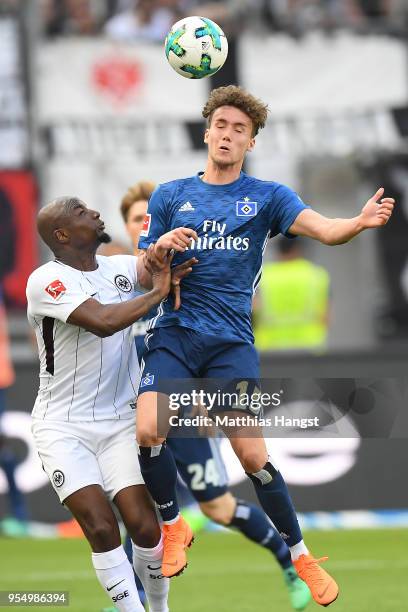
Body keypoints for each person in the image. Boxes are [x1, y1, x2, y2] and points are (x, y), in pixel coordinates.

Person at [134, 85, 395, 607]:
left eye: (240, 130)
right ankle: (172, 526)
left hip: (231, 344)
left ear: (250, 142)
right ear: (207, 131)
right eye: (222, 125)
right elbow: (143, 278)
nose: (228, 135)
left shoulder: (268, 198)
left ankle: (300, 556)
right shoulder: (168, 197)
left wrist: (357, 224)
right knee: (147, 428)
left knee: (253, 457)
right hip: (176, 333)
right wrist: (160, 248)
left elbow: (324, 229)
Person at [119, 180, 312, 611]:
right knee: (131, 505)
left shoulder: (190, 268)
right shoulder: (117, 277)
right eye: (134, 220)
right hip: (129, 411)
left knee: (219, 508)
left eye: (144, 218)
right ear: (129, 226)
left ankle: (289, 561)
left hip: (182, 408)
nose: (141, 225)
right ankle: (127, 598)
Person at [26, 196, 196, 612]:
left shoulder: (118, 269)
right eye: (82, 212)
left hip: (120, 419)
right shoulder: (45, 281)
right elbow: (103, 322)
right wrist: (157, 291)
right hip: (63, 425)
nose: (96, 214)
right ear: (62, 235)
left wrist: (165, 248)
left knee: (143, 526)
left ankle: (159, 609)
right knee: (102, 528)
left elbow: (152, 263)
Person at [254, 236, 330, 351]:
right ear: (298, 249)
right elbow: (325, 317)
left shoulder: (262, 276)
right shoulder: (317, 275)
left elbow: (253, 310)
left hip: (270, 350)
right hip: (310, 349)